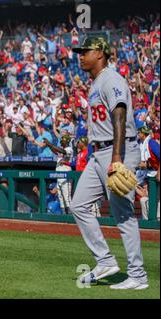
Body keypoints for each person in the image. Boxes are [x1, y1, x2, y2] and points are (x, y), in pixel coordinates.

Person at [71, 37, 148, 289]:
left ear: (100, 54)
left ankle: (138, 276)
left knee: (123, 214)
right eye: (79, 52)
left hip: (119, 149)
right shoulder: (96, 82)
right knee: (79, 205)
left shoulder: (111, 78)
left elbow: (120, 112)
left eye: (85, 51)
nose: (80, 56)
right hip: (99, 152)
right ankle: (105, 260)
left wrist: (116, 156)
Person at [44, 134, 73, 214]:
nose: (61, 142)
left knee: (67, 197)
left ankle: (70, 215)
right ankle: (64, 214)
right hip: (59, 175)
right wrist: (49, 146)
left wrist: (50, 144)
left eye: (62, 140)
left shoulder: (69, 149)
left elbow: (62, 151)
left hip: (65, 174)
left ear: (66, 141)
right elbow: (56, 151)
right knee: (60, 197)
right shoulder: (62, 149)